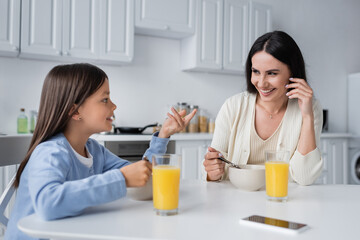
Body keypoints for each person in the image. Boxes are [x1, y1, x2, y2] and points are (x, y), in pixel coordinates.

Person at [5, 63, 196, 240]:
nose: (114, 106)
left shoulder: (94, 151)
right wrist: (121, 179)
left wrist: (163, 135)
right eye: (105, 99)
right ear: (75, 112)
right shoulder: (50, 152)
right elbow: (48, 204)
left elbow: (141, 173)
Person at [203, 31, 323, 185]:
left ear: (292, 72)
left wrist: (307, 116)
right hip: (237, 200)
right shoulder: (233, 106)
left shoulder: (310, 109)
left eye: (272, 73)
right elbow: (214, 170)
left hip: (284, 201)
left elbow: (304, 178)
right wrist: (212, 172)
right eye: (256, 72)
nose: (261, 83)